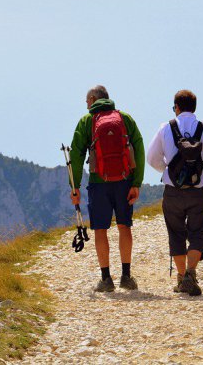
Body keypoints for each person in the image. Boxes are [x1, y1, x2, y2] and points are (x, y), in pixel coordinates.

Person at [147, 89, 203, 296]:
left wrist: (166, 170)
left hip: (173, 190)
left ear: (177, 107)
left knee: (176, 232)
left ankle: (182, 278)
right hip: (198, 191)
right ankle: (191, 273)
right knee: (198, 232)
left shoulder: (165, 128)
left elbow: (152, 158)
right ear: (194, 107)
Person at [69, 85, 145, 292]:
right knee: (124, 226)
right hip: (124, 181)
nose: (86, 106)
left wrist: (74, 186)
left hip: (99, 183)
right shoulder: (125, 118)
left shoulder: (86, 122)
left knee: (100, 229)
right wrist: (136, 183)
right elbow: (138, 149)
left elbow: (76, 156)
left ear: (93, 99)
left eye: (86, 102)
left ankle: (106, 279)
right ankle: (126, 277)